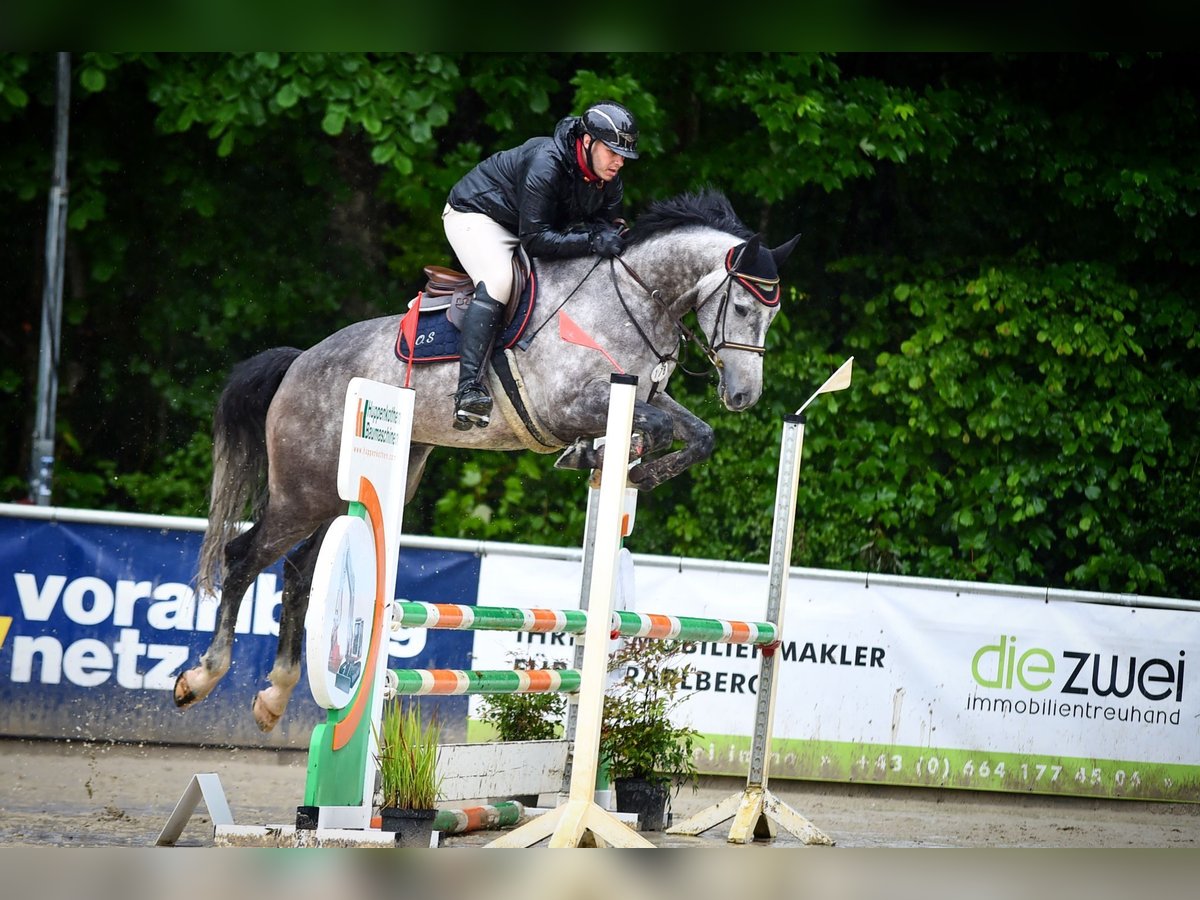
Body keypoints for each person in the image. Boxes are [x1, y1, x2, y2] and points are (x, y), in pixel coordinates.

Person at [443, 101, 639, 430]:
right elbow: (535, 240)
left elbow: (605, 228)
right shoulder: (546, 161)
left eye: (624, 156)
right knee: (499, 279)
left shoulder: (608, 179)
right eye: (612, 152)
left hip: (528, 226)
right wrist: (592, 241)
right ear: (587, 142)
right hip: (478, 216)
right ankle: (469, 391)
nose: (619, 162)